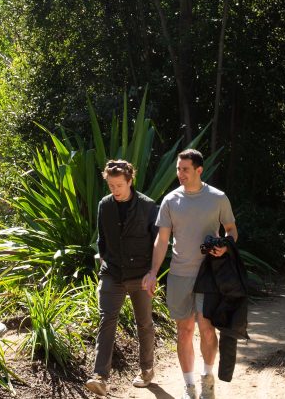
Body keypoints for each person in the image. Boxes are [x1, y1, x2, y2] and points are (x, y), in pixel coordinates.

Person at [143, 149, 238, 399]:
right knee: (184, 330)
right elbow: (161, 241)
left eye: (185, 169)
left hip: (209, 274)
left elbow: (231, 230)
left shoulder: (218, 198)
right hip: (179, 275)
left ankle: (207, 380)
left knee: (207, 329)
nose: (180, 174)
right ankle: (189, 387)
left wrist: (224, 245)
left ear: (199, 170)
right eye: (177, 169)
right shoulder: (170, 200)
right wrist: (153, 271)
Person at [85, 160, 159, 397]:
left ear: (130, 181)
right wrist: (104, 260)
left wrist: (152, 273)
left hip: (141, 275)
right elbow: (102, 240)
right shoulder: (104, 205)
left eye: (118, 185)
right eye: (110, 185)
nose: (114, 190)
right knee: (107, 319)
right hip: (112, 273)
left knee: (144, 324)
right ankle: (100, 377)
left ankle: (147, 369)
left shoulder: (148, 206)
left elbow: (158, 242)